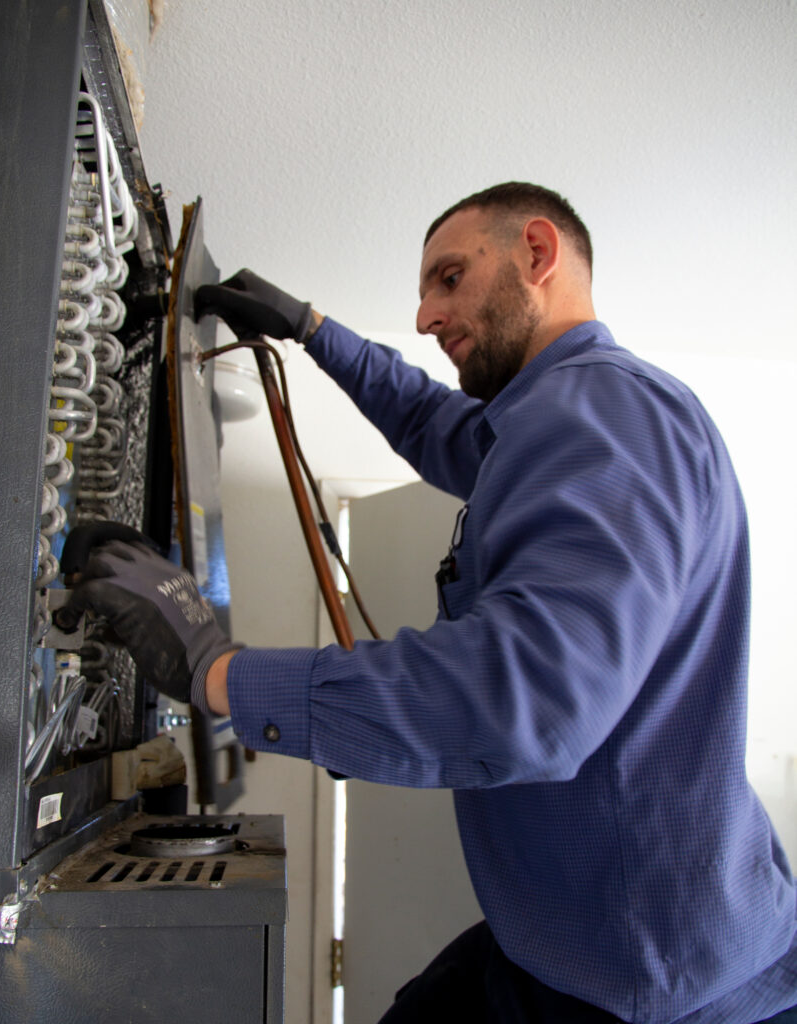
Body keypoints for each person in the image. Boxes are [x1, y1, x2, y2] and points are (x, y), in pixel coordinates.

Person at [63, 183, 797, 1023]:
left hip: (649, 983)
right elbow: (433, 424)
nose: (424, 317)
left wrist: (216, 669)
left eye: (449, 278)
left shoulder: (607, 412)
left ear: (536, 252)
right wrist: (313, 330)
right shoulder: (554, 417)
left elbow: (524, 701)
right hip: (578, 938)